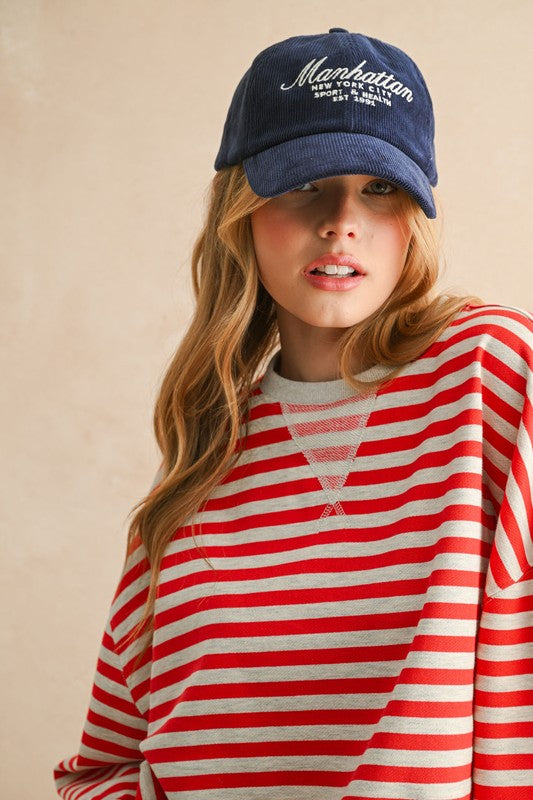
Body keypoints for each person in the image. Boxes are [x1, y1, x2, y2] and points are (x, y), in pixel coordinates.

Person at [54, 28, 532, 800]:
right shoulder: (196, 472)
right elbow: (104, 767)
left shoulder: (494, 374)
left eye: (380, 189)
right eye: (304, 183)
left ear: (415, 217)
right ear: (240, 210)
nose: (342, 220)